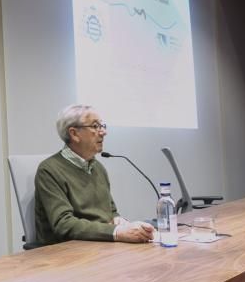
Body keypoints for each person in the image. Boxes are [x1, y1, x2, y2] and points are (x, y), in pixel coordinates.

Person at [34, 104, 155, 245]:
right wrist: (117, 232)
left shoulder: (98, 167)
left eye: (102, 125)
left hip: (100, 245)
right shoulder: (49, 170)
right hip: (66, 253)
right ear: (74, 134)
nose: (103, 132)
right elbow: (64, 224)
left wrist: (121, 223)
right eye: (95, 126)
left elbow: (111, 211)